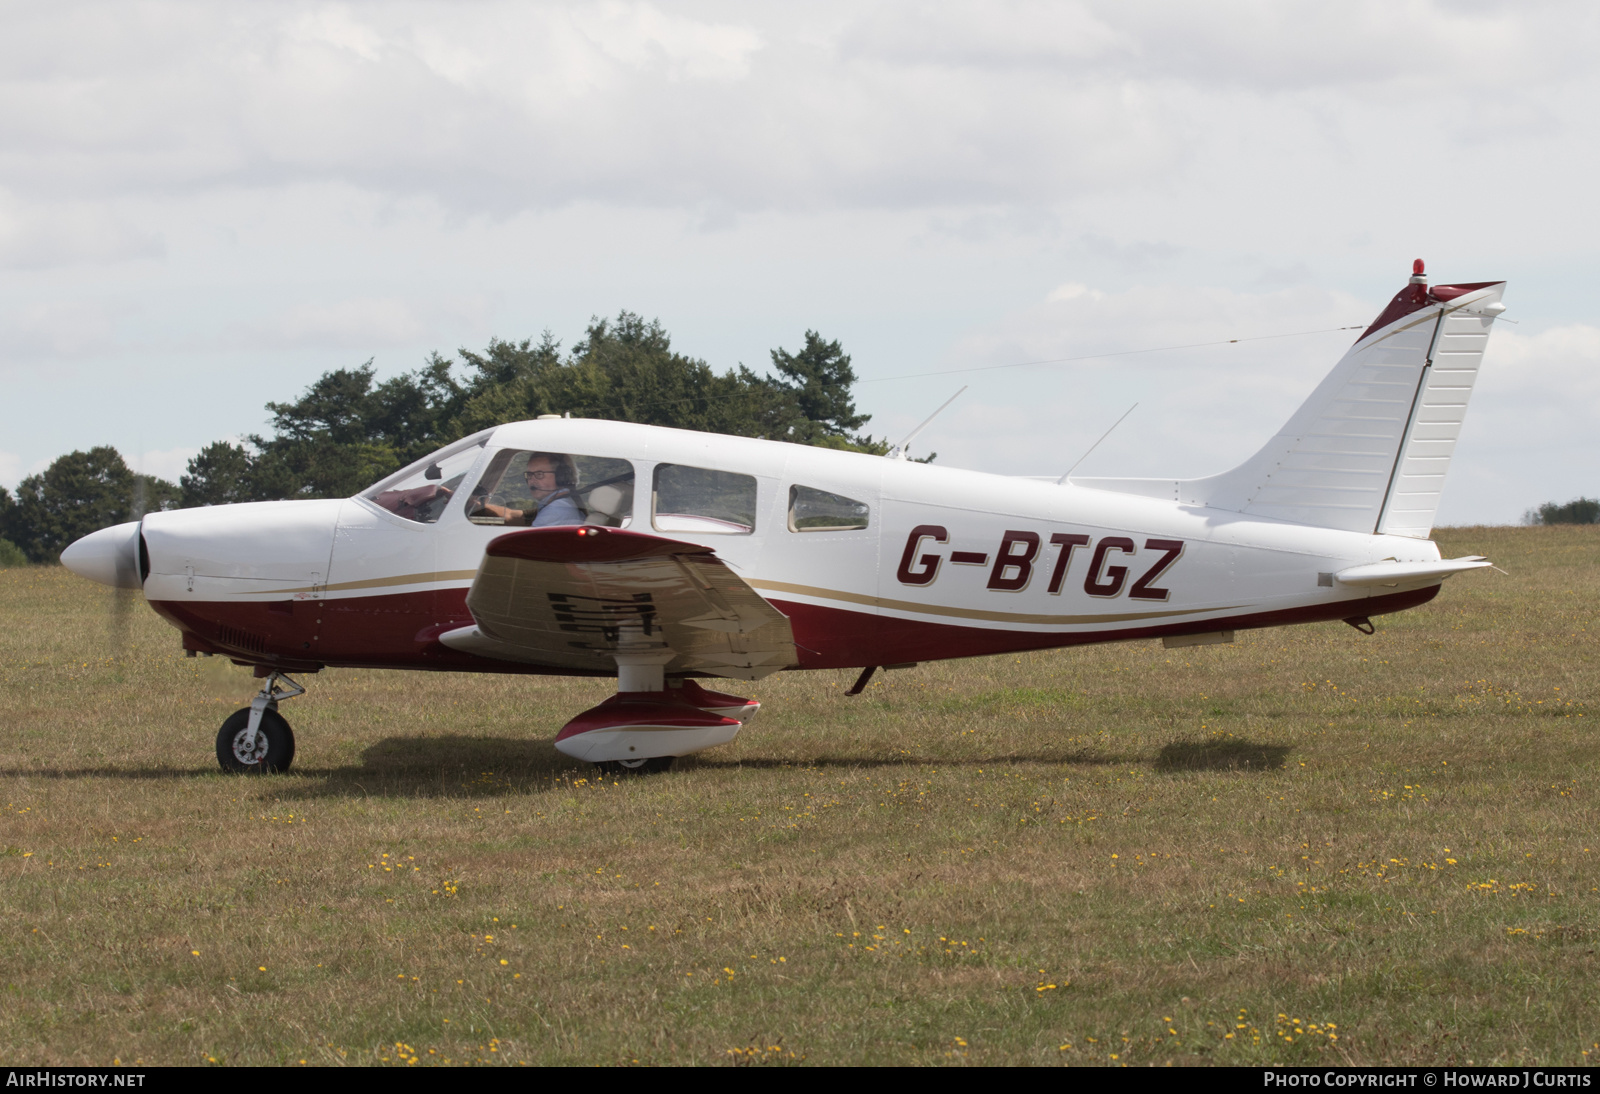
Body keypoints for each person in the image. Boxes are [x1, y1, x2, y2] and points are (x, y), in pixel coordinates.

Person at [475, 452, 585, 527]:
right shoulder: (555, 503)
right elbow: (514, 515)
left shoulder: (557, 510)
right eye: (529, 475)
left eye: (539, 474)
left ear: (561, 477)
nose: (532, 480)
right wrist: (479, 506)